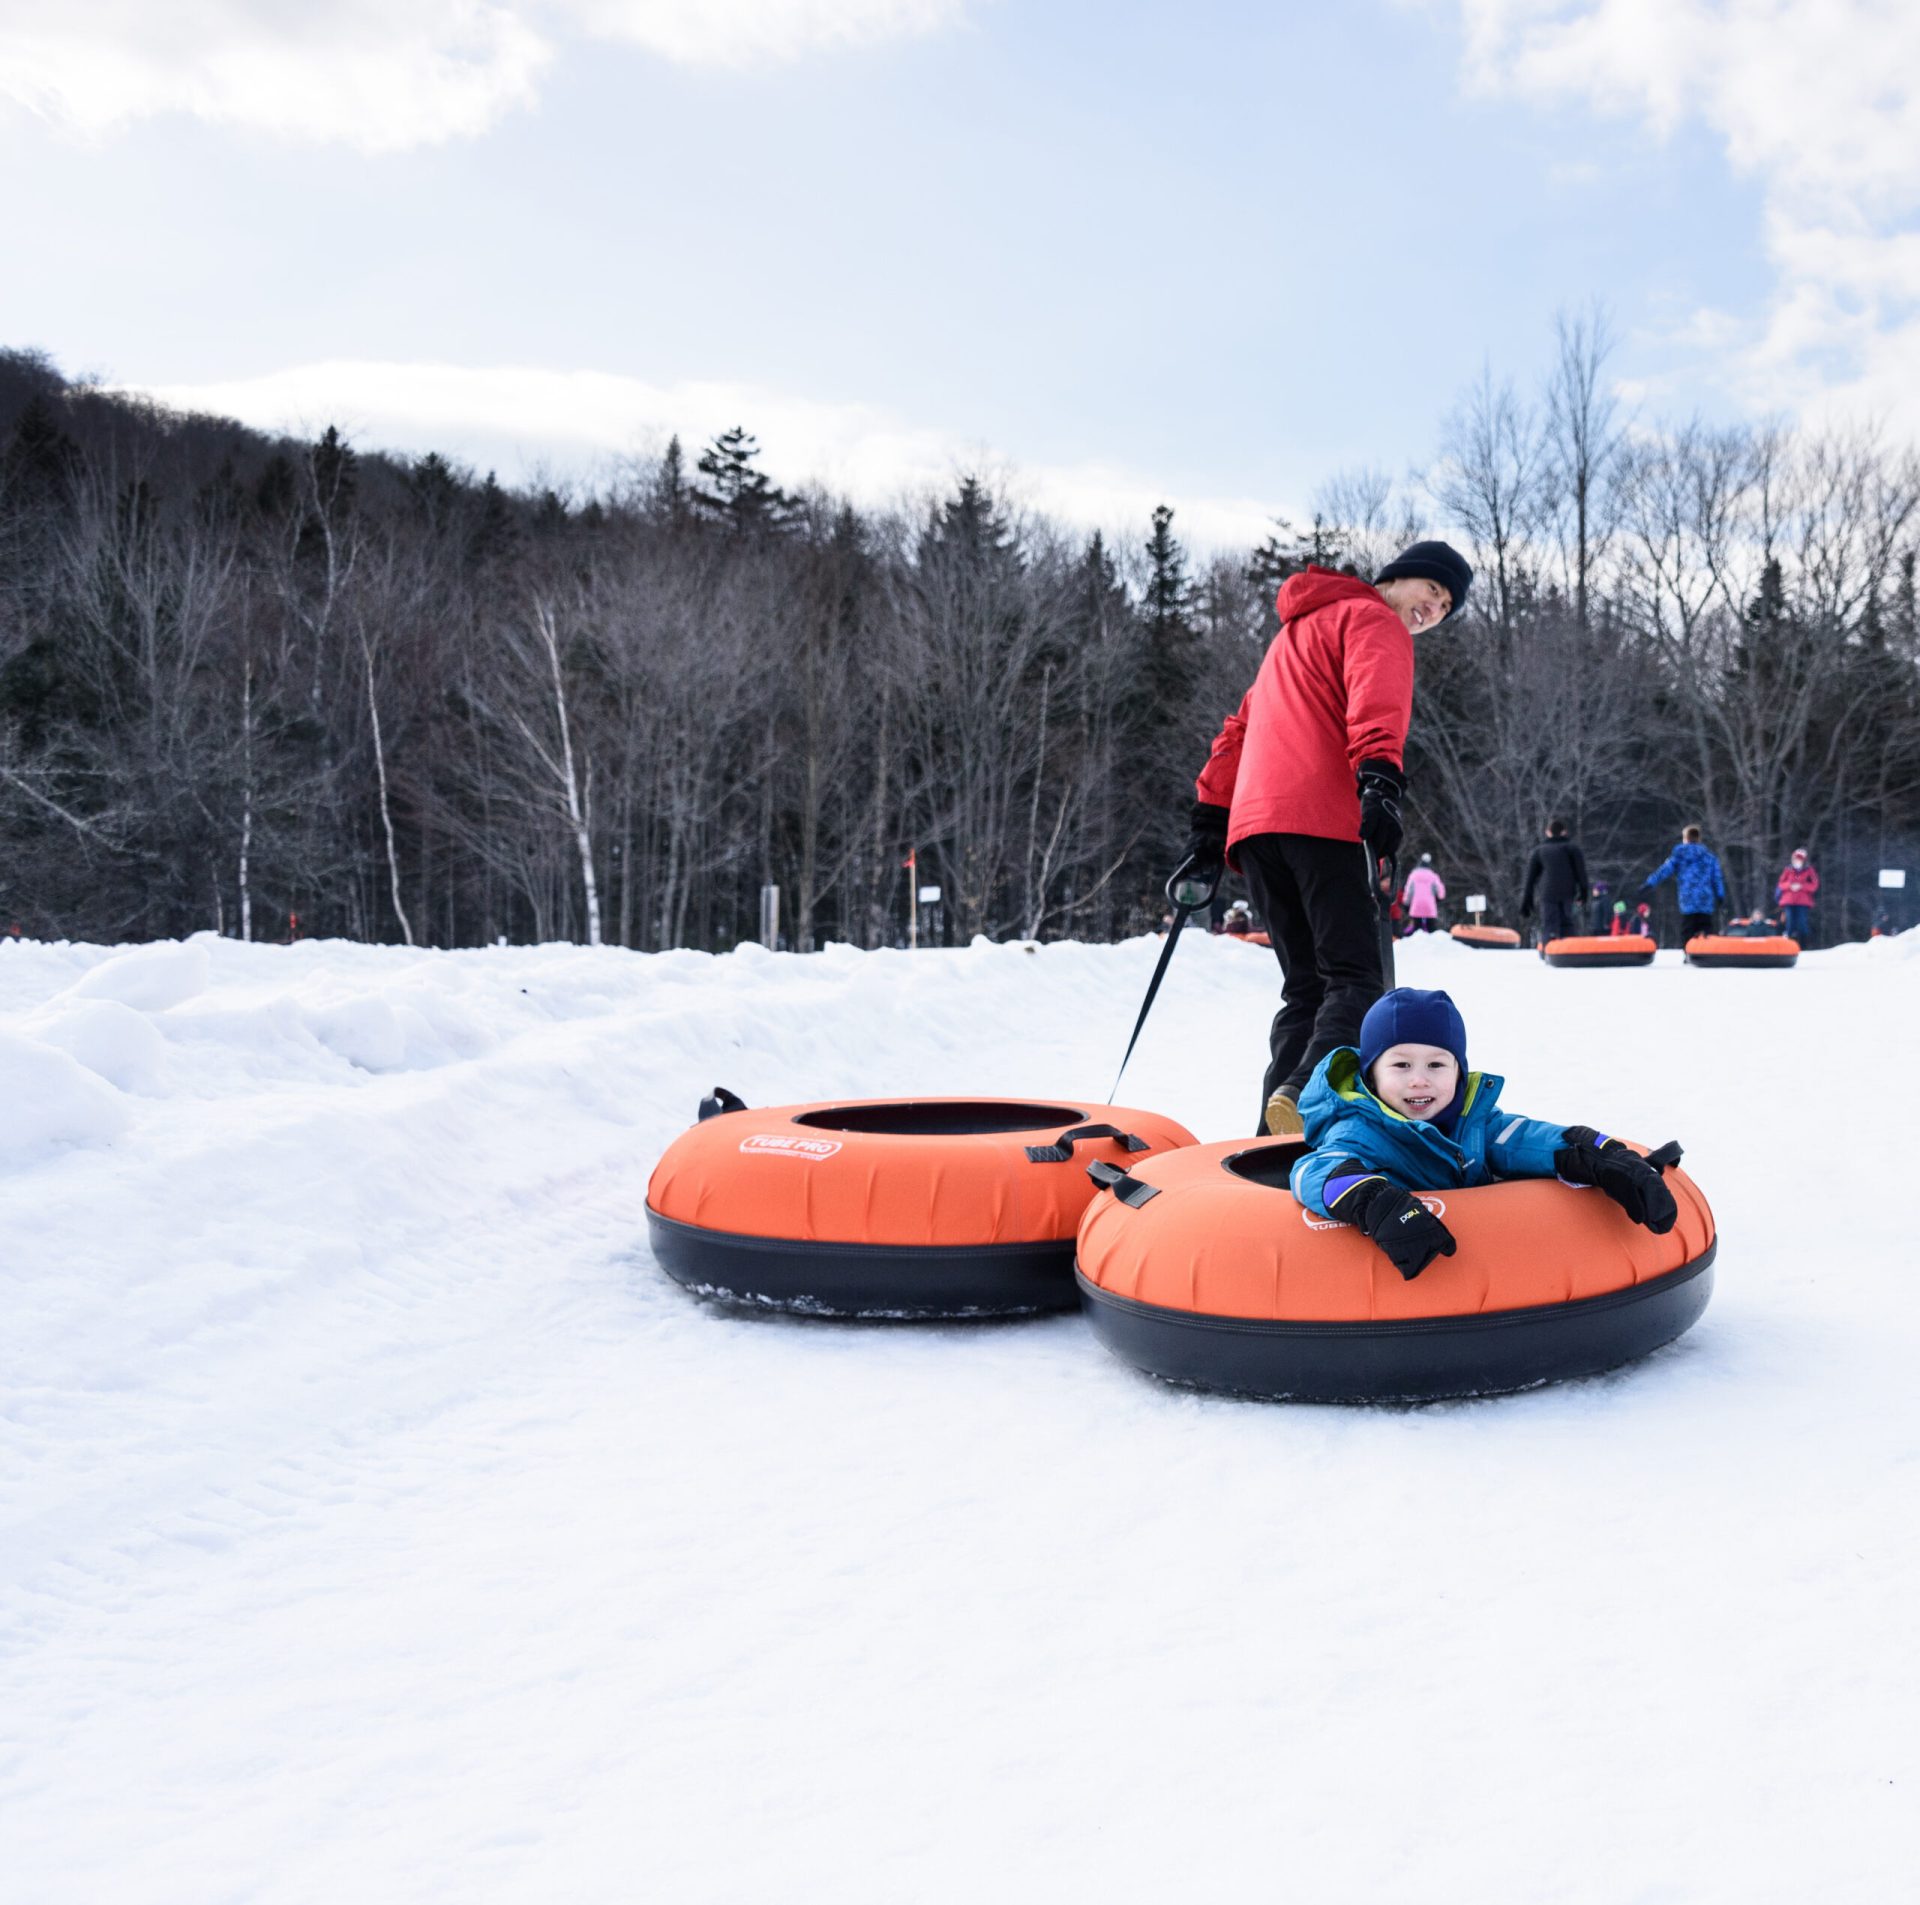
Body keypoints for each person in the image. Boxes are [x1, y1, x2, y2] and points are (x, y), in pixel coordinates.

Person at [1184, 539, 1473, 1135]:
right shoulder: (1373, 618)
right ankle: (1309, 1096)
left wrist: (1211, 822)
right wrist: (1380, 781)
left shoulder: (1293, 637)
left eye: (1445, 606)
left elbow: (1238, 732)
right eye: (1432, 591)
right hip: (1322, 816)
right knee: (1356, 978)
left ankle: (1274, 1130)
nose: (1433, 610)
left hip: (1258, 829)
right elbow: (1377, 700)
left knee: (1307, 988)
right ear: (1400, 577)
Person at [1289, 987, 1681, 1279]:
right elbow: (1314, 1170)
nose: (1420, 1081)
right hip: (1397, 1270)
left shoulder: (1473, 1123)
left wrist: (1599, 1155)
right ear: (1372, 1073)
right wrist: (1375, 1201)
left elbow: (1525, 1139)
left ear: (1459, 1070)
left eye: (1437, 1065)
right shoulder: (1359, 1131)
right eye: (1402, 1065)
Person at [1644, 826, 1727, 942]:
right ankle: (1706, 952)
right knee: (1706, 927)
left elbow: (1664, 870)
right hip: (1705, 900)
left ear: (1685, 838)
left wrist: (1649, 883)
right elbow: (1717, 878)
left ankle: (1688, 951)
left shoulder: (1679, 856)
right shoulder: (1709, 857)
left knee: (1688, 928)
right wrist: (1720, 895)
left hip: (1688, 899)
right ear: (1699, 838)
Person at [1519, 818, 1589, 944]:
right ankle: (1569, 950)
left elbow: (1530, 879)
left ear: (1548, 832)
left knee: (1550, 923)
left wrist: (1526, 900)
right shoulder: (1572, 849)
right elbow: (1581, 873)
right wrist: (1584, 893)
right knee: (1567, 922)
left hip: (1548, 892)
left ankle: (1550, 949)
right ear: (1564, 832)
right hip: (1568, 892)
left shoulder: (1540, 851)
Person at [1775, 847, 1819, 946]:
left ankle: (1804, 945)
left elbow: (1814, 885)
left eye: (1799, 859)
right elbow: (1781, 884)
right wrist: (1790, 886)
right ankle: (1789, 944)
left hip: (1803, 901)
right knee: (1789, 922)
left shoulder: (1809, 870)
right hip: (1788, 900)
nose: (1797, 861)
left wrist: (1801, 886)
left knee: (1802, 923)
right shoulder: (1787, 870)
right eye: (1795, 859)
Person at [1399, 854, 1446, 934]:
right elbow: (1440, 891)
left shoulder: (1413, 875)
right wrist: (1439, 898)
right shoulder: (1433, 876)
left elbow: (1409, 891)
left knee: (1416, 930)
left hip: (1416, 905)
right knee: (1431, 929)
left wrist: (1406, 903)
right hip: (1429, 905)